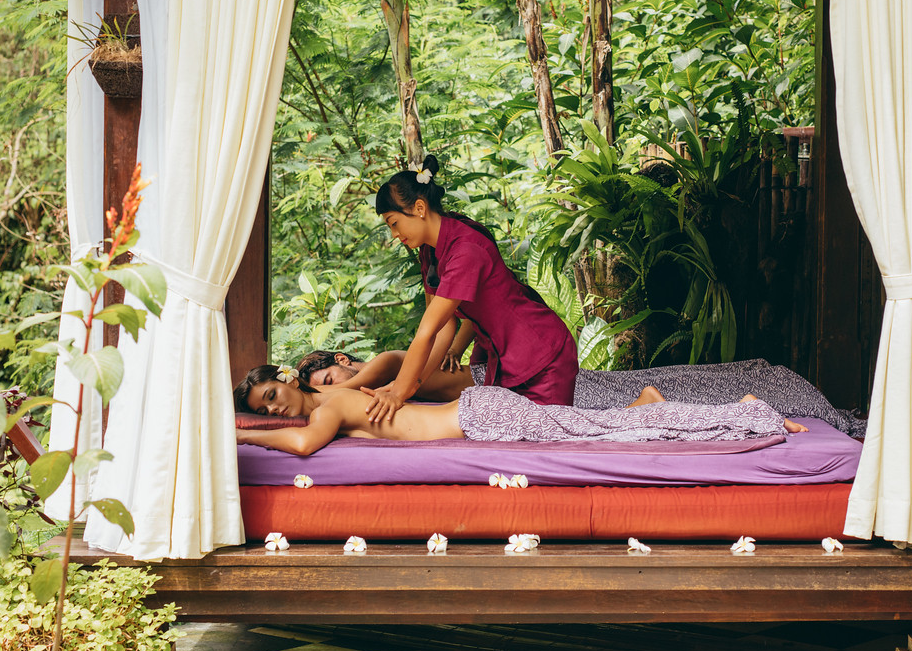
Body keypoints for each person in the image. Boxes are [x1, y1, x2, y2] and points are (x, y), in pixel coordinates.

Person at [362, 155, 577, 422]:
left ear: (419, 208)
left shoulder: (464, 250)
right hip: (503, 359)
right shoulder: (430, 251)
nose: (394, 235)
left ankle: (640, 407)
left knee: (553, 437)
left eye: (394, 223)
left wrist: (399, 393)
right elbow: (443, 328)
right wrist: (407, 386)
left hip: (540, 355)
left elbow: (427, 331)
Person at [233, 365, 804, 457]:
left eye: (272, 397)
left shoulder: (325, 405)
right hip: (483, 411)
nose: (275, 407)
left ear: (286, 380)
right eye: (265, 409)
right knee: (600, 429)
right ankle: (656, 405)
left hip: (486, 417)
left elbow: (307, 444)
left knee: (601, 434)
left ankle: (744, 410)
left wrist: (244, 437)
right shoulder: (336, 403)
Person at [297, 344, 473, 402]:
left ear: (342, 359)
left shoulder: (386, 361)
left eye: (329, 381)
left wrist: (297, 392)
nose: (333, 388)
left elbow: (345, 389)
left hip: (486, 381)